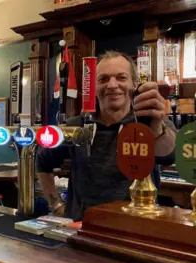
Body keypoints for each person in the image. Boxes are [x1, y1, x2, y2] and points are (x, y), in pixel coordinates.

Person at [36, 51, 177, 221]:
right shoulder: (77, 126)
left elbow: (169, 155)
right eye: (103, 79)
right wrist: (56, 205)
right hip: (82, 227)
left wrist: (155, 129)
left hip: (135, 226)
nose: (112, 85)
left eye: (121, 77)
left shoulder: (151, 122)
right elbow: (43, 160)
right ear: (93, 87)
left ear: (134, 84)